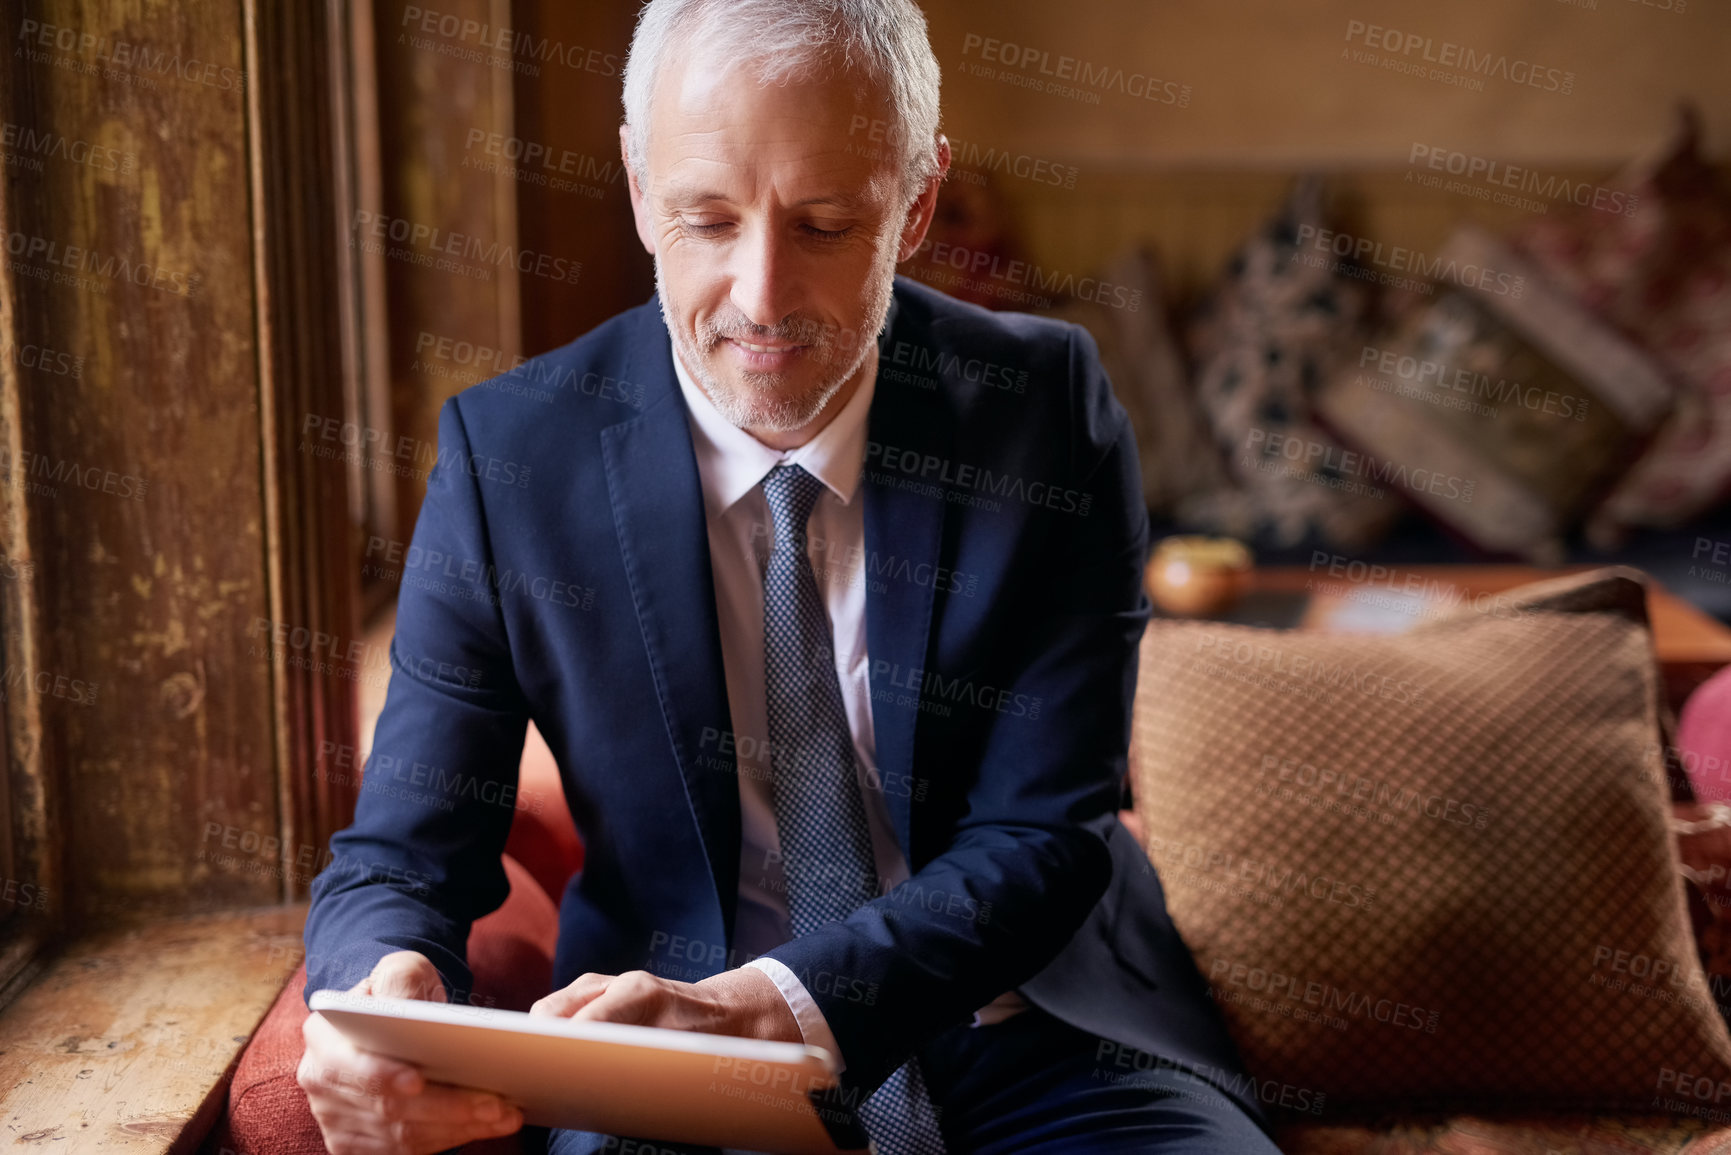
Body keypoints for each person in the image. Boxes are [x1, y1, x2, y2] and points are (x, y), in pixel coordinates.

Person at [297, 1, 1284, 1152]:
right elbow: (403, 851)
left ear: (916, 204)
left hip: (1032, 1028)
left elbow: (1047, 835)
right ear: (635, 185)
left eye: (823, 224)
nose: (762, 299)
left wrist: (774, 1005)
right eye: (707, 218)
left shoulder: (1047, 414)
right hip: (661, 1058)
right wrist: (378, 994)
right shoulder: (508, 460)